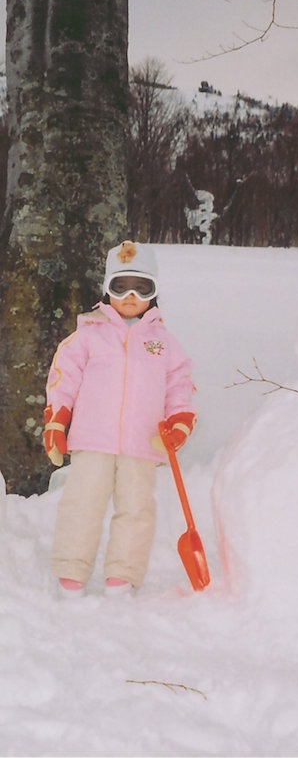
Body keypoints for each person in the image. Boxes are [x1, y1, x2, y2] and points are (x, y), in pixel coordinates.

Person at [43, 240, 197, 598]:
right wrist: (57, 422)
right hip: (92, 439)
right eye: (120, 286)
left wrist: (179, 421)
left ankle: (122, 575)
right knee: (81, 504)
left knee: (136, 509)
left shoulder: (163, 342)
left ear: (154, 292)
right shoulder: (88, 334)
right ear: (107, 289)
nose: (130, 295)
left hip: (143, 443)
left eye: (142, 287)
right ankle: (71, 570)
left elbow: (180, 384)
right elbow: (63, 377)